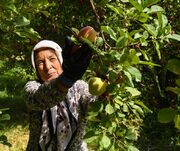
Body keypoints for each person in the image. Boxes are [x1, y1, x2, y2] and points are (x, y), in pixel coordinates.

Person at [24, 36, 96, 151]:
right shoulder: (32, 88)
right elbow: (40, 98)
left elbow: (94, 107)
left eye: (52, 59)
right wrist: (66, 79)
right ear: (36, 69)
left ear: (60, 60)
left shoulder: (80, 87)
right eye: (40, 62)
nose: (47, 67)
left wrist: (105, 92)